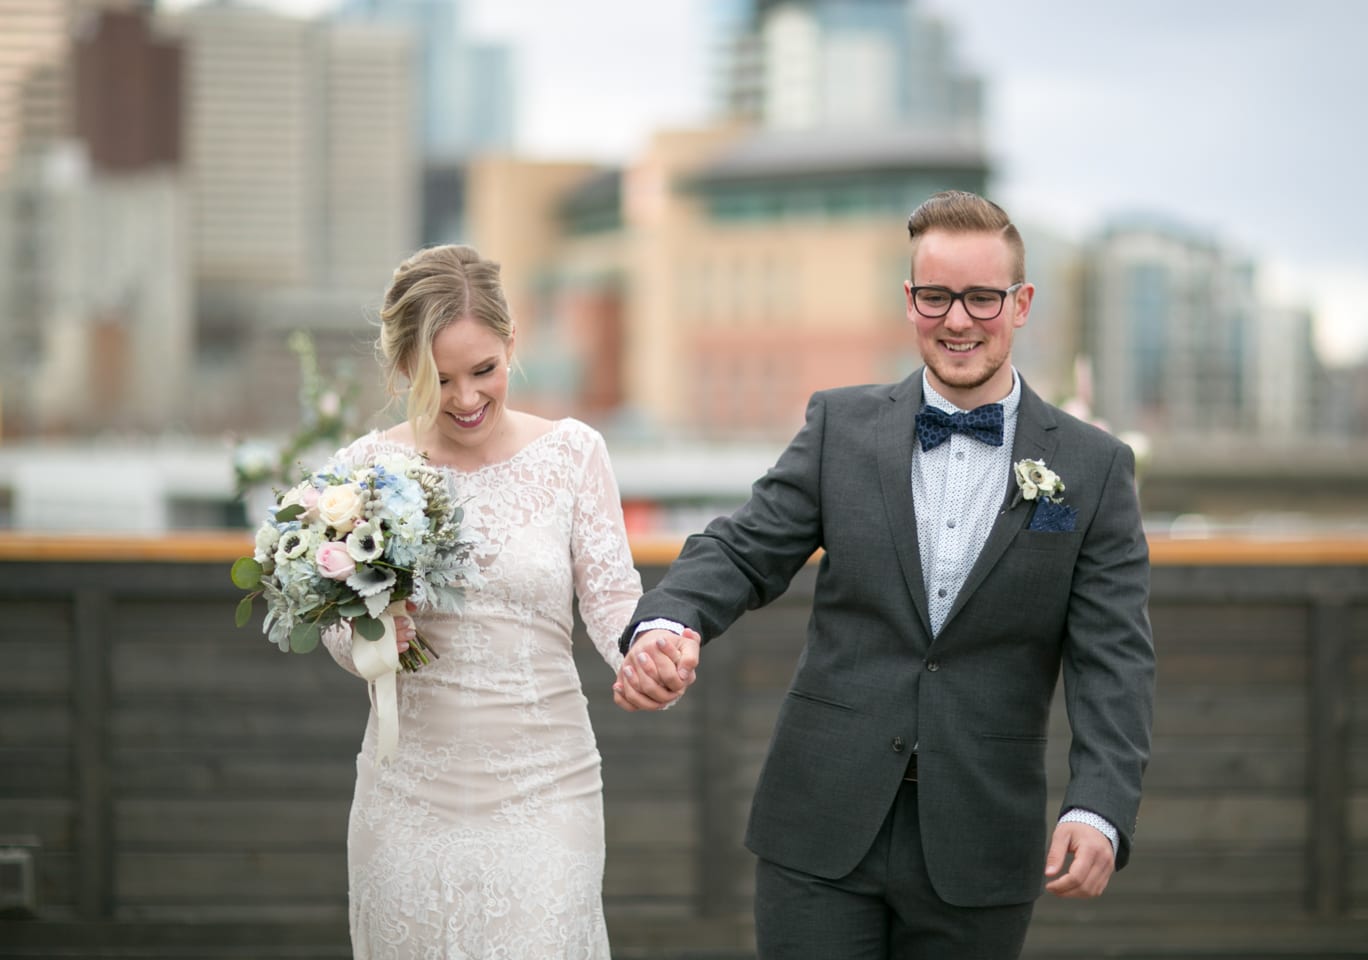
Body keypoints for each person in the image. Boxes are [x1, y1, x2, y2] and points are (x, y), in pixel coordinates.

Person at [613, 191, 1155, 958]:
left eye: (981, 298)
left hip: (981, 844)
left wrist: (1099, 806)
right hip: (819, 826)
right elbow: (743, 548)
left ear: (1021, 303)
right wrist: (669, 622)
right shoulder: (840, 428)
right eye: (936, 296)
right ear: (910, 301)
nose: (958, 320)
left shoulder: (1093, 469)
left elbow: (1115, 660)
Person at [320, 244, 686, 958]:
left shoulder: (574, 455)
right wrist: (371, 636)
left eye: (483, 370)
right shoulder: (361, 473)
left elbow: (615, 607)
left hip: (545, 791)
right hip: (408, 797)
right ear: (403, 370)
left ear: (513, 345)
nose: (465, 398)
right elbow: (338, 627)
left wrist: (650, 655)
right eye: (440, 378)